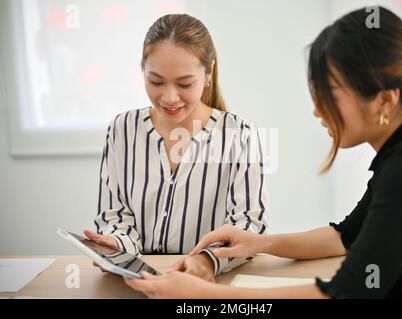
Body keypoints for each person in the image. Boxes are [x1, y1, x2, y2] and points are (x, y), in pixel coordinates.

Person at [125, 7, 402, 298]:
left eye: (330, 93)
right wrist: (261, 243)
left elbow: (347, 293)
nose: (317, 111)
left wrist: (207, 296)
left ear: (385, 99)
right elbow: (344, 236)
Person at [84, 13, 268, 282]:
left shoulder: (239, 134)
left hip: (206, 282)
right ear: (142, 71)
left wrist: (206, 261)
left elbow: (249, 223)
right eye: (156, 81)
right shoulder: (122, 129)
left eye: (184, 83)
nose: (169, 98)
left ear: (209, 73)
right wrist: (116, 245)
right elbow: (116, 215)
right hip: (136, 282)